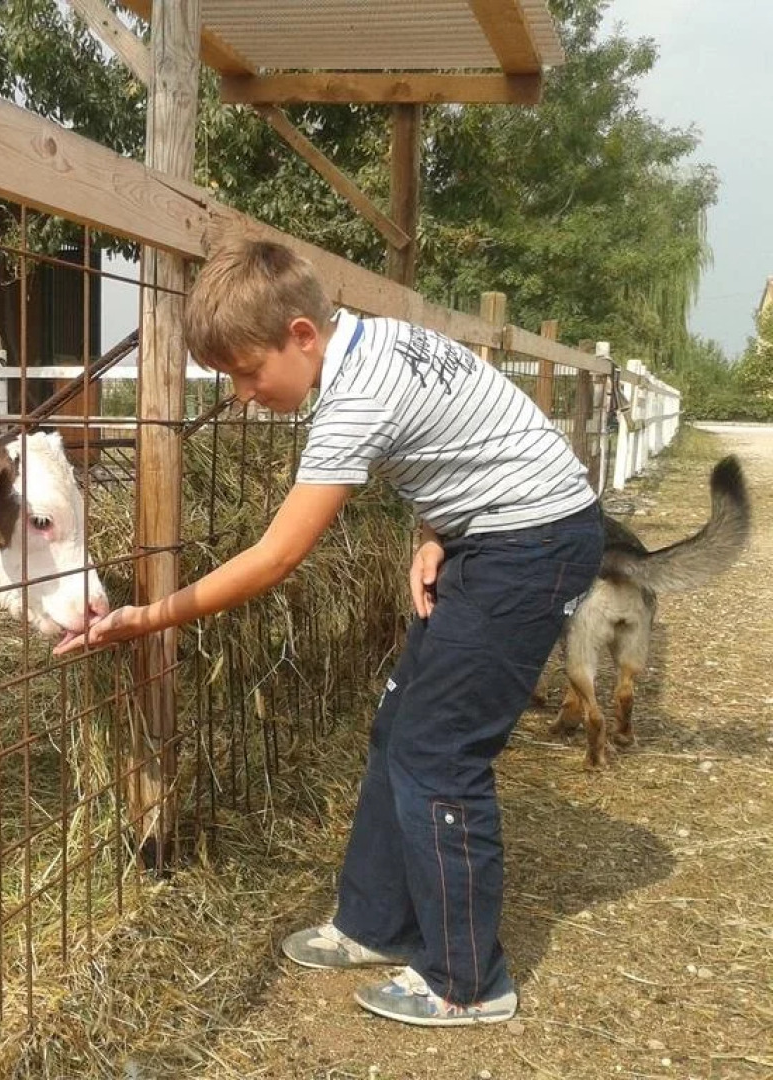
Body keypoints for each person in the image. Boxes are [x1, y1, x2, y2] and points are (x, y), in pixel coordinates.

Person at [53, 239, 604, 1027]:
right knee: (398, 731)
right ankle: (375, 923)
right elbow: (469, 434)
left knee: (439, 750)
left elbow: (277, 557)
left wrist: (151, 617)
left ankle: (466, 981)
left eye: (248, 372)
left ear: (303, 335)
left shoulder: (353, 399)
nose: (243, 395)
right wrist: (439, 531)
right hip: (497, 535)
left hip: (532, 548)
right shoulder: (377, 340)